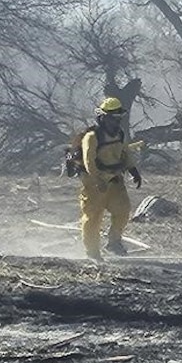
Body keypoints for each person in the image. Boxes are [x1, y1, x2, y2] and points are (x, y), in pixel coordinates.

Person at [77, 96, 142, 260]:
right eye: (113, 118)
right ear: (103, 118)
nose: (116, 122)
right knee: (93, 217)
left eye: (118, 118)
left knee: (123, 211)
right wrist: (97, 180)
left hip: (115, 181)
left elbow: (124, 152)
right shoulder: (92, 137)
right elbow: (88, 161)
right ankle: (92, 252)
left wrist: (133, 170)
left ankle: (114, 242)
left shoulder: (119, 134)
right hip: (95, 184)